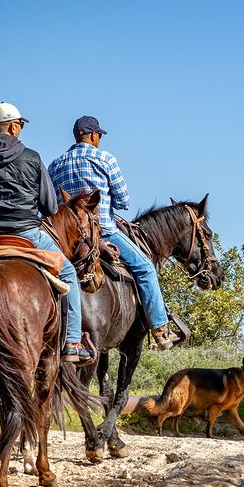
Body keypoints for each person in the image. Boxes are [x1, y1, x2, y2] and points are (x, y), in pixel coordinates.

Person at [0, 102, 93, 363]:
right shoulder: (33, 158)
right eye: (21, 125)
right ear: (14, 127)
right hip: (26, 234)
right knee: (69, 272)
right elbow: (50, 206)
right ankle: (72, 342)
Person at [48, 116, 182, 350]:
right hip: (103, 232)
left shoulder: (56, 164)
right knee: (145, 267)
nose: (99, 139)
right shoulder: (105, 158)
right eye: (98, 135)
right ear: (91, 136)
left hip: (65, 239)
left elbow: (51, 205)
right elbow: (123, 200)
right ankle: (161, 329)